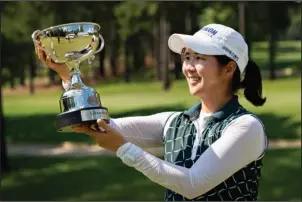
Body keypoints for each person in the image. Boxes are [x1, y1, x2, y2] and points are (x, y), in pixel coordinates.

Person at [35, 23, 268, 201]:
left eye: (199, 58)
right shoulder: (176, 122)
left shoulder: (246, 127)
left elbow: (193, 184)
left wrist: (124, 149)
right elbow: (106, 126)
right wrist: (68, 75)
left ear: (228, 69)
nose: (189, 67)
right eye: (187, 57)